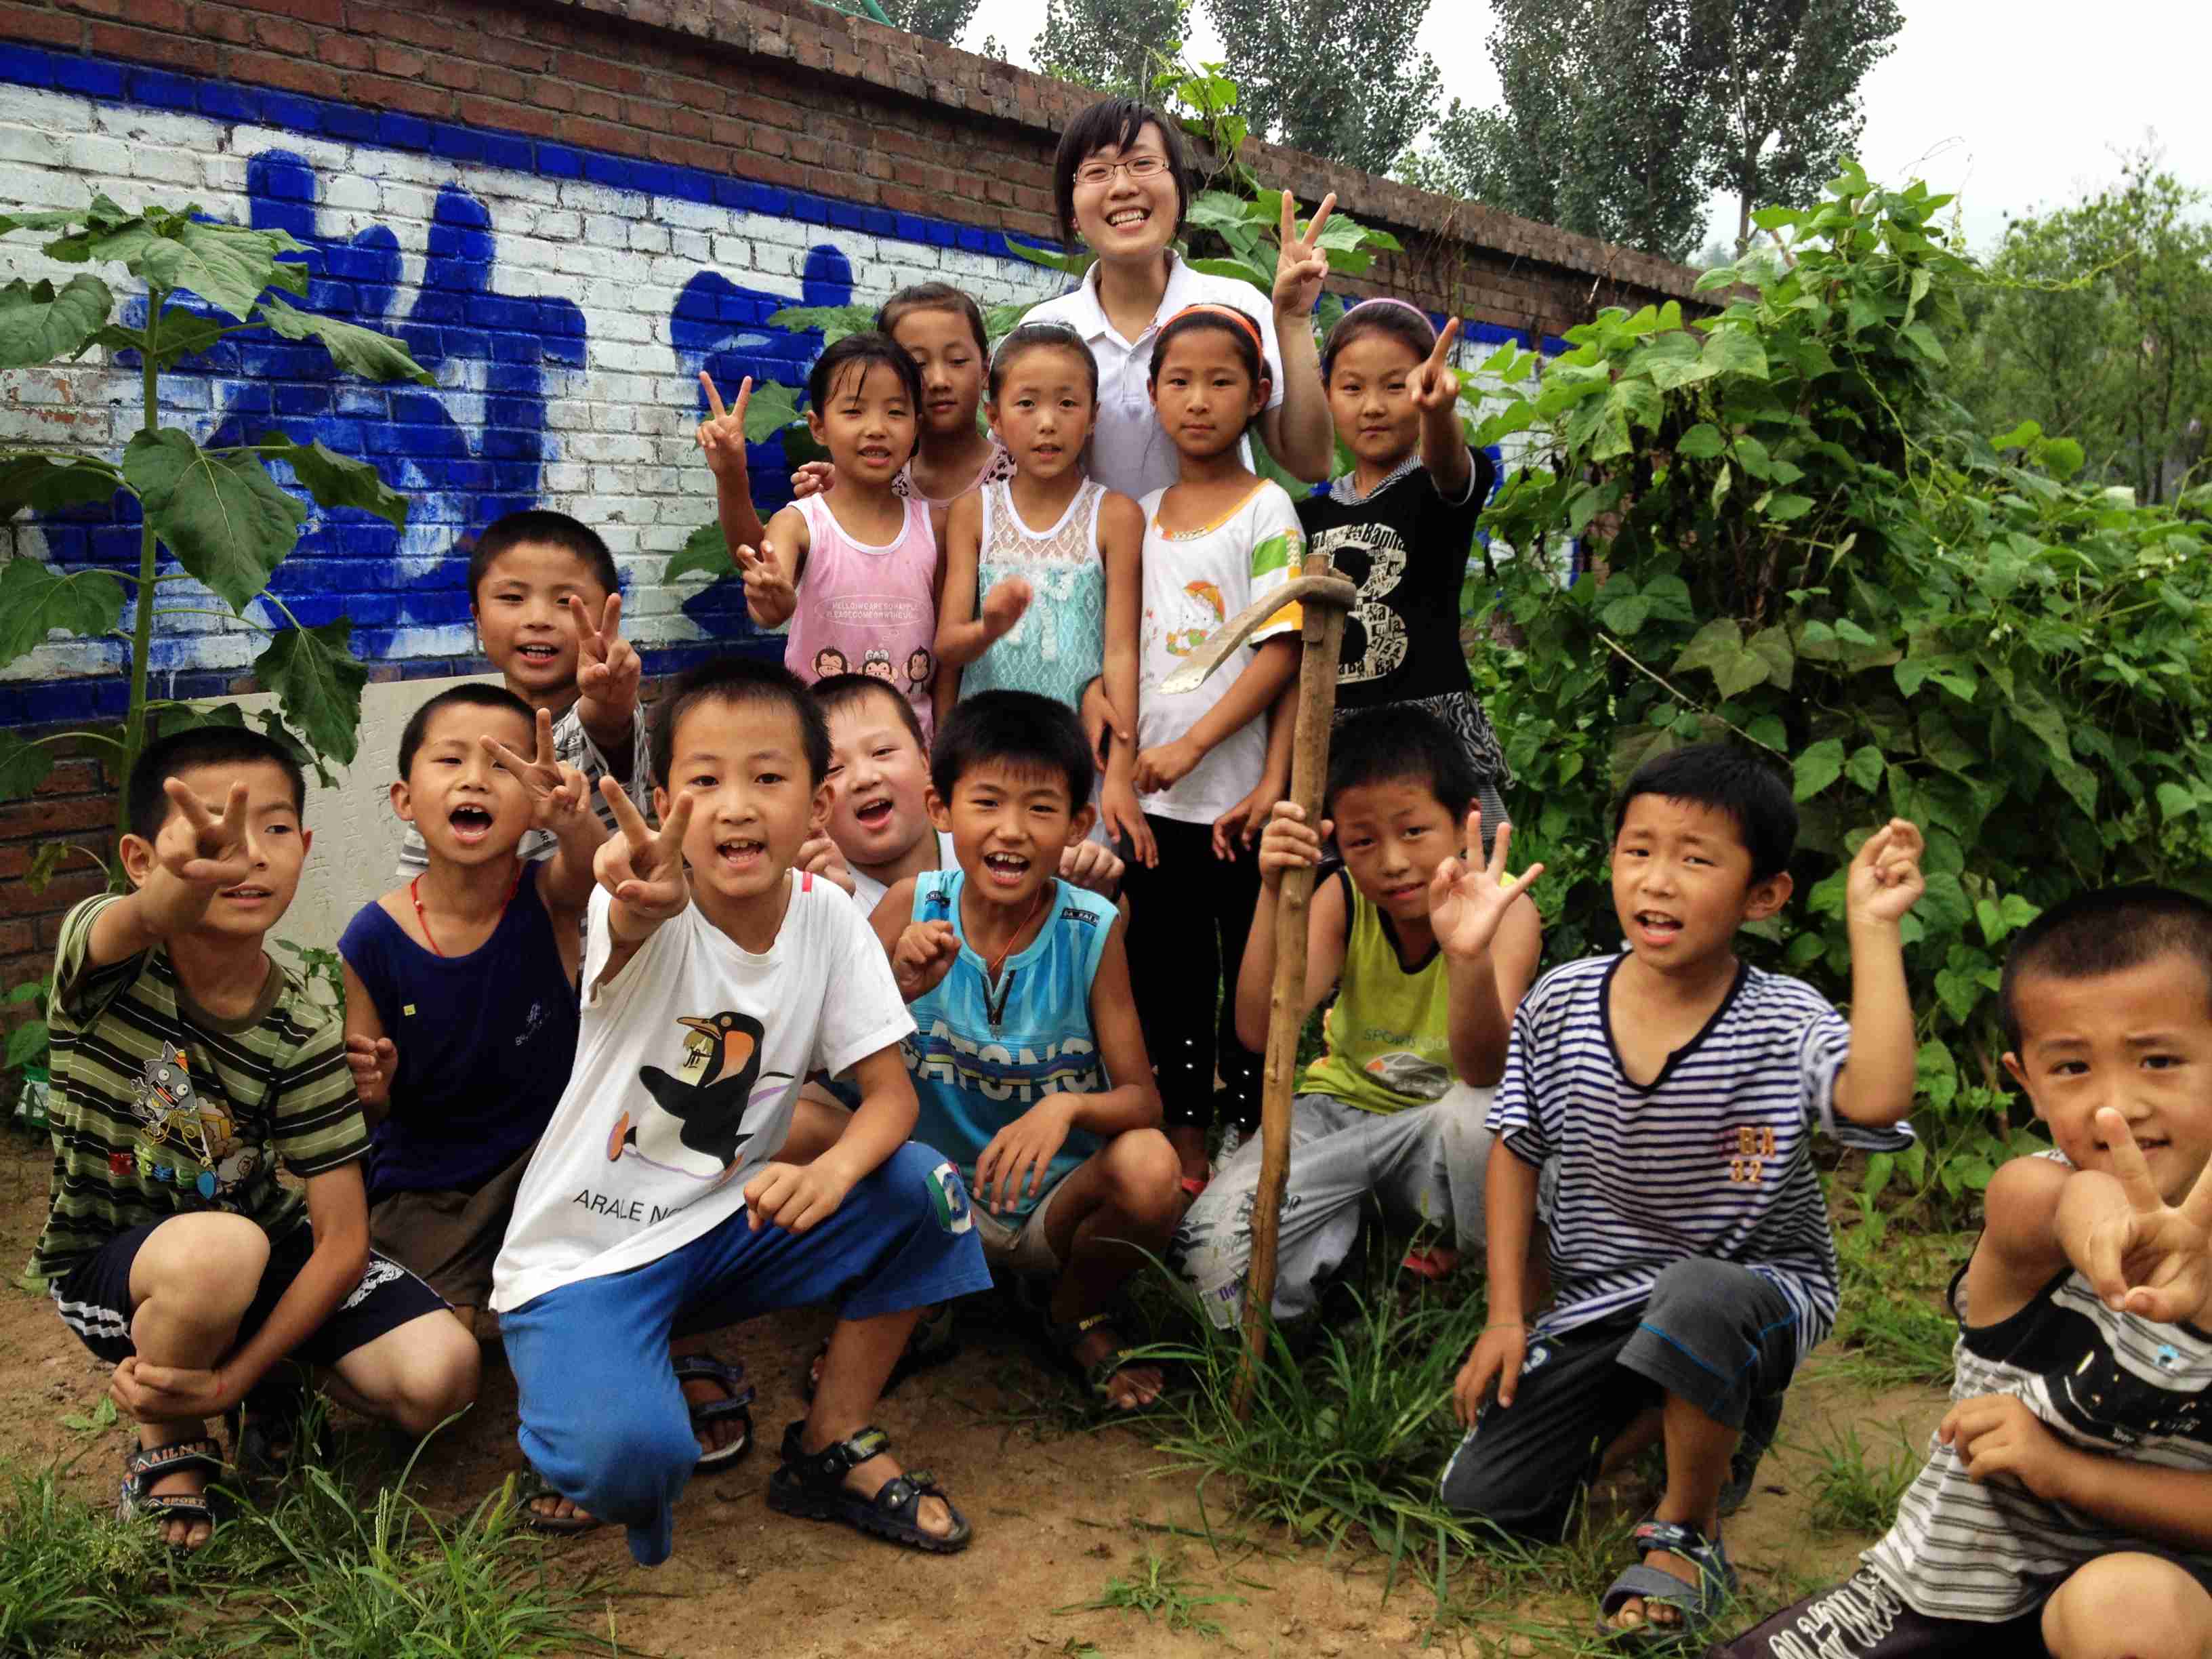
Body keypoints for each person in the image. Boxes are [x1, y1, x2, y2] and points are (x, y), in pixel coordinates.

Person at [488, 657, 989, 1566]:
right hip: (587, 1255)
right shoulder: (641, 907)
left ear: (817, 803)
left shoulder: (829, 919)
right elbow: (628, 908)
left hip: (727, 1221)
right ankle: (574, 1412)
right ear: (664, 802)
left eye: (767, 778)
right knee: (633, 1463)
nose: (735, 807)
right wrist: (633, 889)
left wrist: (833, 1172)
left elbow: (891, 1098)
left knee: (928, 1191)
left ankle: (831, 1442)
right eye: (704, 782)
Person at [1441, 742, 1925, 1649]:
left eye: (1696, 859)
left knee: (1698, 1297)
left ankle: (1687, 1528)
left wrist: (1873, 928)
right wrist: (1507, 1315)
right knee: (1485, 1503)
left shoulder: (1784, 1019)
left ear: (1764, 896)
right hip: (1601, 1302)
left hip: (1753, 1291)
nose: (1658, 880)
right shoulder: (1561, 1002)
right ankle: (1672, 1415)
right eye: (1639, 850)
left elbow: (1876, 1102)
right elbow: (1515, 1148)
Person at [1713, 886, 2212, 1659]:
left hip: (2163, 1606)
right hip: (1950, 1596)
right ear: (2026, 1081)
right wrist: (2115, 1234)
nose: (2117, 1106)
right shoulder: (2033, 1198)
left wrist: (2063, 1472)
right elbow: (2070, 1203)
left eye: (2159, 1060)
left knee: (2129, 1608)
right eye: (2073, 1067)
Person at [36, 727, 478, 1551]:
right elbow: (146, 915)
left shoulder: (304, 1027)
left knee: (441, 1378)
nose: (242, 855)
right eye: (209, 833)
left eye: (272, 828)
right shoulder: (105, 963)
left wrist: (234, 1375)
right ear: (139, 859)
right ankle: (170, 1439)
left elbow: (342, 1243)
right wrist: (175, 887)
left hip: (255, 1248)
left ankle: (263, 1383)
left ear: (303, 849)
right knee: (220, 1251)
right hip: (116, 1263)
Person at [1175, 705, 1542, 1326]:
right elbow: (1259, 1032)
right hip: (1337, 1117)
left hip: (1440, 1130)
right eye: (1363, 841)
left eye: (1414, 831)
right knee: (1205, 1268)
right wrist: (1272, 890)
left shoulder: (1507, 912)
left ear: (1465, 825)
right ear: (1336, 844)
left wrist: (1467, 957)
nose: (1392, 862)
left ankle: (1465, 1263)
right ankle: (1343, 1268)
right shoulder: (1342, 898)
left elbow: (1485, 1071)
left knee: (1486, 1119)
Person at [871, 691, 1178, 1409]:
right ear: (941, 808)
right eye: (986, 802)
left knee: (1151, 1168)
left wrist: (1066, 1108)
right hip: (931, 1198)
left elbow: (1143, 1101)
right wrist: (896, 987)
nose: (1011, 830)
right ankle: (918, 1300)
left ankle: (1072, 1311)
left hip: (1051, 1208)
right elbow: (827, 1059)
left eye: (1041, 808)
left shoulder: (1090, 929)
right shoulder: (909, 906)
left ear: (1078, 825)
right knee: (806, 1122)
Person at [340, 689, 602, 1336]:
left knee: (590, 1294)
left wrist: (572, 820)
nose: (475, 780)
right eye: (451, 761)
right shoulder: (371, 940)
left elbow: (598, 869)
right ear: (405, 798)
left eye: (502, 765)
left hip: (550, 1162)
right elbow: (368, 1110)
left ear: (533, 803)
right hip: (430, 1183)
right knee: (434, 1340)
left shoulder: (548, 897)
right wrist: (371, 1089)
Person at [1120, 302, 1306, 1191]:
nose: (1199, 400)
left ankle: (1254, 1142)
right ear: (1154, 395)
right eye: (1180, 382)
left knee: (1253, 981)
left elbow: (1285, 650)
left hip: (1234, 801)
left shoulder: (1268, 510)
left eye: (1221, 381)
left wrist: (1254, 769)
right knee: (1171, 976)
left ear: (1258, 393)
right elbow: (1120, 646)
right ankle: (1187, 1145)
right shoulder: (1142, 515)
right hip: (1152, 803)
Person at [1024, 95, 1335, 504]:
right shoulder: (1043, 332)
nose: (1124, 187)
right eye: (1097, 171)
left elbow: (1311, 463)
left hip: (1219, 545)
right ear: (1072, 213)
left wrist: (1293, 322)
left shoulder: (1234, 307)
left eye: (1143, 164)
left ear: (1178, 192)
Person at [1297, 302, 1513, 848]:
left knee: (1466, 882)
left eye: (1396, 387)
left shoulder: (1438, 490)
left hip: (1435, 751)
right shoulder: (1306, 517)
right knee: (1351, 890)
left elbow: (1449, 464)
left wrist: (1438, 412)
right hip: (1342, 758)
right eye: (1352, 388)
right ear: (1326, 394)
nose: (1373, 407)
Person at [934, 321, 1151, 858]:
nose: (1048, 423)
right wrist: (990, 628)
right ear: (995, 417)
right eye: (1027, 404)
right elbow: (948, 649)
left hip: (1073, 765)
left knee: (1075, 889)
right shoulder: (973, 513)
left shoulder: (1116, 517)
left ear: (1093, 416)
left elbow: (1122, 652)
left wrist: (1120, 774)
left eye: (1068, 404)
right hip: (982, 759)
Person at [396, 509, 650, 878]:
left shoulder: (597, 720)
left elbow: (605, 720)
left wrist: (612, 697)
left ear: (607, 615)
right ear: (478, 618)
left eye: (566, 602)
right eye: (513, 597)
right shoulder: (457, 742)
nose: (538, 619)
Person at [723, 333, 945, 743]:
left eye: (896, 412)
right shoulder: (799, 523)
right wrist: (773, 596)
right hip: (821, 747)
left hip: (911, 748)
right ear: (819, 427)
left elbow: (947, 646)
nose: (876, 429)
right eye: (854, 411)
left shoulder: (935, 526)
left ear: (917, 426)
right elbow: (769, 606)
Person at [814, 672, 1122, 917]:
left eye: (882, 752)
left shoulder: (989, 836)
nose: (864, 779)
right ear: (814, 804)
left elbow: (1107, 934)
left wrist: (1097, 888)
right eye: (835, 769)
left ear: (926, 762)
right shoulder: (821, 887)